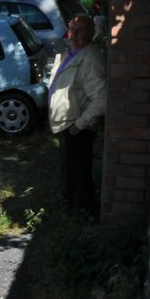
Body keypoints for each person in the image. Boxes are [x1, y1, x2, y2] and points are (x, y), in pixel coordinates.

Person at [47, 14, 106, 214]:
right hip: (67, 126)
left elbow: (102, 99)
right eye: (71, 29)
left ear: (90, 34)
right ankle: (71, 212)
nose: (73, 34)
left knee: (78, 177)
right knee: (70, 174)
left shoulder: (90, 59)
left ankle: (81, 216)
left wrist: (78, 125)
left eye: (79, 31)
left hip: (76, 128)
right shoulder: (70, 53)